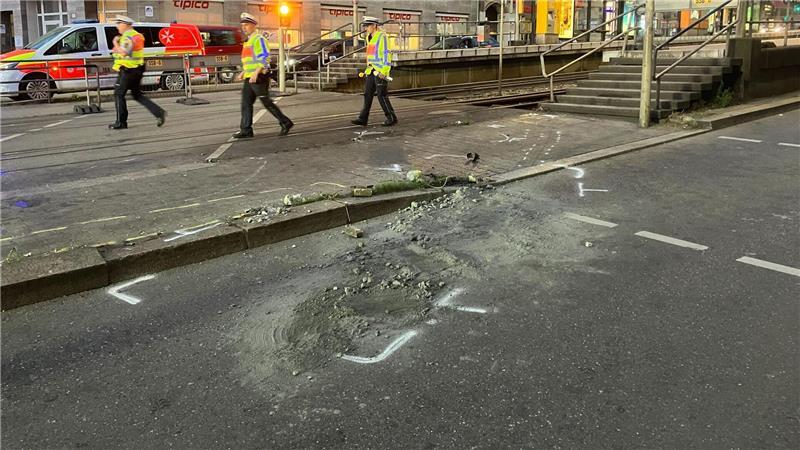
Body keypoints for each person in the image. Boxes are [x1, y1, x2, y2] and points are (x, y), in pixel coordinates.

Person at [233, 12, 293, 139]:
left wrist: (256, 72)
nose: (244, 28)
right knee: (246, 103)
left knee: (266, 102)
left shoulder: (259, 39)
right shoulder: (247, 41)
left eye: (246, 25)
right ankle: (246, 130)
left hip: (259, 77)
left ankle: (285, 122)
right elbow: (250, 60)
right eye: (242, 25)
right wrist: (244, 72)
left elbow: (265, 57)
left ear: (254, 25)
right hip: (250, 76)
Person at [108, 15, 166, 130]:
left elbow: (124, 53)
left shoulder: (128, 37)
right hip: (137, 68)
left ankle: (121, 122)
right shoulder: (136, 35)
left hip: (128, 70)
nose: (117, 26)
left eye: (119, 24)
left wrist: (115, 42)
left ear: (126, 24)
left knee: (119, 94)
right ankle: (158, 112)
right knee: (137, 95)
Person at [351, 17, 397, 127]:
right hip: (371, 70)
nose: (366, 28)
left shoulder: (382, 37)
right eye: (365, 26)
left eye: (367, 26)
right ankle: (363, 118)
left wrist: (384, 71)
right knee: (367, 94)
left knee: (381, 95)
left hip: (380, 71)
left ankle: (391, 118)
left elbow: (386, 54)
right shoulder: (369, 37)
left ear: (374, 25)